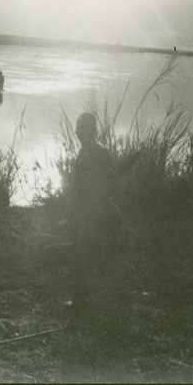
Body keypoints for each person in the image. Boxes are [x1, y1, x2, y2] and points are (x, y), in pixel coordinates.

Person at [68, 113, 121, 315]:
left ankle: (84, 303)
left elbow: (112, 186)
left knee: (83, 256)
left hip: (94, 213)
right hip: (80, 211)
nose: (77, 134)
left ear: (91, 131)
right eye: (77, 130)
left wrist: (94, 206)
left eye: (81, 129)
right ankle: (80, 300)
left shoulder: (100, 154)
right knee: (78, 254)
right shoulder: (84, 152)